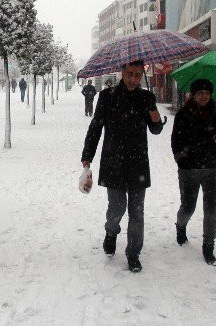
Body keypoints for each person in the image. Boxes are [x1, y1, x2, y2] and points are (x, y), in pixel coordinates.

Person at [81, 60, 164, 273]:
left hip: (138, 163)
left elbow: (155, 130)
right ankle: (111, 231)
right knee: (116, 208)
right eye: (130, 74)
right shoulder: (107, 97)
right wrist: (87, 155)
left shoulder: (147, 98)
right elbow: (96, 127)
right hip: (113, 161)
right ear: (122, 72)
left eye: (138, 75)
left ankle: (133, 253)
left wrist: (156, 121)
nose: (134, 79)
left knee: (137, 212)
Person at [171, 79, 216, 266]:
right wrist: (181, 158)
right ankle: (181, 226)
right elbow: (175, 141)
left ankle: (208, 247)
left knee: (212, 210)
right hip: (189, 169)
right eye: (200, 93)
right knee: (188, 207)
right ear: (193, 95)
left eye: (206, 93)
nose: (203, 96)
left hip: (212, 168)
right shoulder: (183, 114)